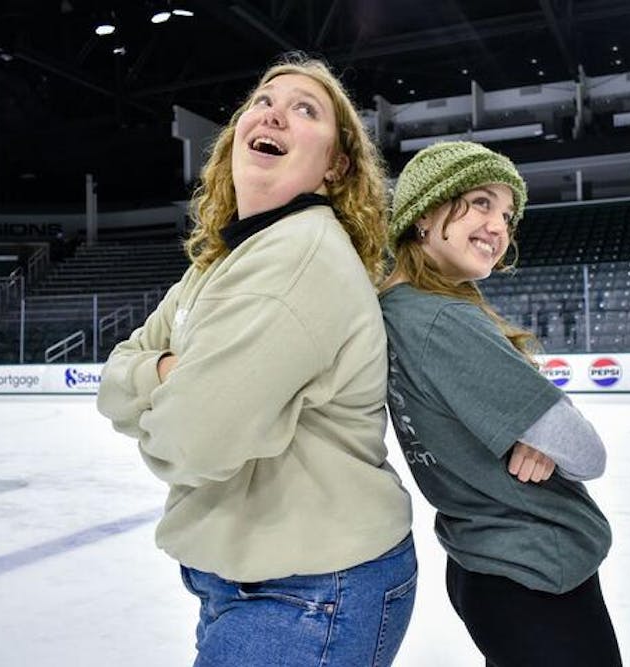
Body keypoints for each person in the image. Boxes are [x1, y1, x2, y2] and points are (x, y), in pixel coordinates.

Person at [96, 54, 415, 667]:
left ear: (336, 165)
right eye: (264, 100)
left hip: (311, 593)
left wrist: (162, 382)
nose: (273, 111)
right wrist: (164, 373)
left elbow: (188, 444)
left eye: (305, 109)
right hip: (254, 579)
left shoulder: (297, 260)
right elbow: (118, 368)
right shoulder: (220, 261)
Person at [380, 141, 621, 666]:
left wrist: (537, 435)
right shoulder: (442, 321)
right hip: (533, 569)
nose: (499, 227)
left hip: (485, 564)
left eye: (508, 215)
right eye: (482, 202)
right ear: (424, 213)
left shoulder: (394, 310)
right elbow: (587, 453)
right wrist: (549, 438)